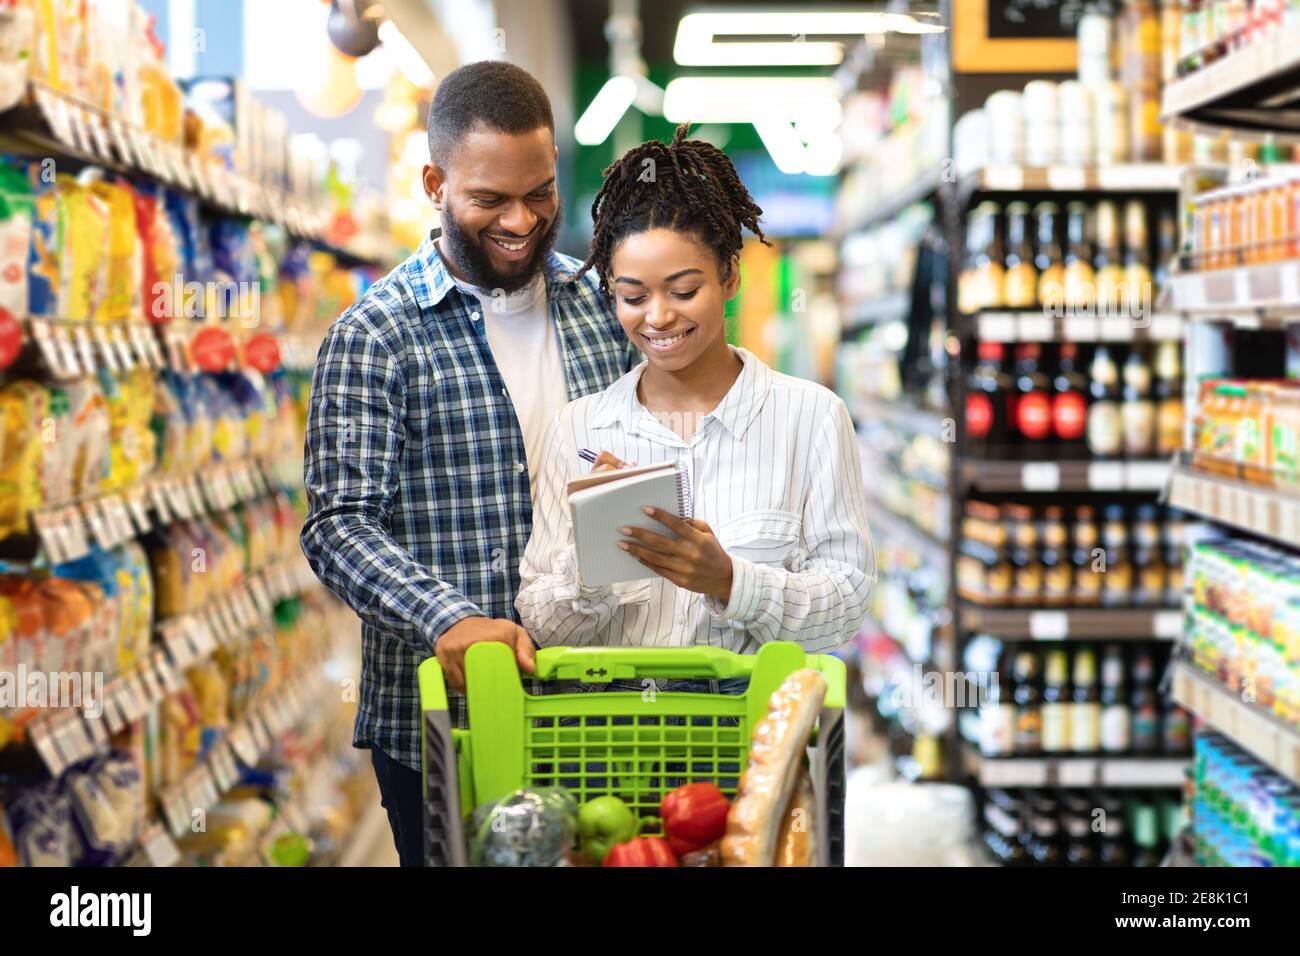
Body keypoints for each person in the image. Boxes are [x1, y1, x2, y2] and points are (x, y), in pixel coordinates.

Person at [300, 61, 638, 867]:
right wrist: (445, 617)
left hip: (600, 701)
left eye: (541, 192)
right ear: (434, 183)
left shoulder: (602, 306)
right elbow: (339, 526)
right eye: (490, 199)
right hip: (440, 721)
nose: (522, 220)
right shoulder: (375, 335)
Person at [515, 125, 875, 667]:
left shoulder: (812, 417)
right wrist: (596, 555)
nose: (658, 317)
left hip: (751, 735)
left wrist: (731, 581)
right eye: (632, 296)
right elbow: (543, 624)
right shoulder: (581, 430)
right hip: (615, 736)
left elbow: (847, 604)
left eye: (684, 291)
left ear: (730, 275)